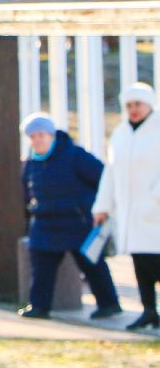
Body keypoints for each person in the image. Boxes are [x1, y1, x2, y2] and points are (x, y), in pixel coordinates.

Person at [18, 112, 121, 320]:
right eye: (33, 136)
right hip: (45, 222)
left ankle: (109, 304)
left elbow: (103, 178)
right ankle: (39, 306)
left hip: (78, 221)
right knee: (41, 267)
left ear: (51, 135)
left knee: (92, 264)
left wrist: (96, 207)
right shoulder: (31, 163)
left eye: (41, 135)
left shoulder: (75, 155)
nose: (37, 140)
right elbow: (27, 193)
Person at [93, 82, 160, 330]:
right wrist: (102, 206)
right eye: (129, 105)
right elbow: (110, 173)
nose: (133, 109)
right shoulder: (120, 133)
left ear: (149, 105)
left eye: (138, 104)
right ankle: (149, 311)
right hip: (132, 213)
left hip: (155, 210)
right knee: (141, 264)